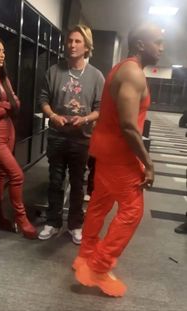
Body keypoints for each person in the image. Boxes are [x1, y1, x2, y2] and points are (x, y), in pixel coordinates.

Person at [73, 23, 164, 296]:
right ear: (140, 45)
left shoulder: (120, 68)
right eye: (157, 42)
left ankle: (86, 255)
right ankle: (99, 267)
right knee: (132, 212)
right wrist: (148, 163)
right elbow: (128, 125)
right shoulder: (133, 74)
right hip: (120, 157)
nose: (162, 47)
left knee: (100, 204)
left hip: (106, 153)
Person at [38, 25, 105, 244]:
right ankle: (53, 222)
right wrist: (53, 115)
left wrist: (85, 119)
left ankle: (75, 224)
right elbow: (44, 100)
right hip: (57, 136)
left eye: (77, 41)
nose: (72, 45)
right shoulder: (54, 71)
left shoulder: (96, 76)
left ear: (87, 46)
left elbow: (100, 109)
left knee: (78, 183)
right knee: (55, 181)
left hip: (81, 139)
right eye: (70, 41)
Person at [0, 37, 37, 239]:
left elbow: (17, 103)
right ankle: (22, 219)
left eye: (3, 51)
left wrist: (7, 104)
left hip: (9, 132)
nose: (2, 54)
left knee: (1, 175)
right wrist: (9, 104)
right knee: (17, 175)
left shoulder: (4, 78)